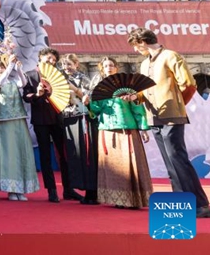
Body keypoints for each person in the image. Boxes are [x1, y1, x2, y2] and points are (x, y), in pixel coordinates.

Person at [127, 27, 210, 218]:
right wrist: (135, 97)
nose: (135, 50)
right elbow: (145, 91)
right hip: (153, 116)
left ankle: (201, 205)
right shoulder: (144, 64)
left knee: (178, 158)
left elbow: (189, 85)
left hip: (172, 115)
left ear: (142, 42)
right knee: (169, 162)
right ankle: (182, 202)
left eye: (135, 46)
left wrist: (178, 105)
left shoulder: (171, 56)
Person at [87, 57, 153, 209]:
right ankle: (117, 199)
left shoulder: (127, 86)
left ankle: (134, 199)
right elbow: (95, 111)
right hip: (107, 130)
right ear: (101, 68)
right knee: (112, 166)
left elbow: (138, 108)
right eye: (105, 65)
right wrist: (88, 103)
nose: (109, 67)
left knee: (131, 164)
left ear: (116, 67)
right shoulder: (99, 88)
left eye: (111, 65)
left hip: (127, 129)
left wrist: (143, 128)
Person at [22, 47, 76, 203]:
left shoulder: (60, 75)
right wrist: (36, 94)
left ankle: (68, 189)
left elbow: (65, 94)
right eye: (49, 59)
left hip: (58, 118)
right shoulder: (30, 75)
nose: (52, 62)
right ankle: (51, 190)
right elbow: (26, 97)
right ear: (40, 58)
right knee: (45, 156)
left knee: (64, 155)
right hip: (40, 120)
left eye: (54, 60)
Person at [0, 55, 39, 201]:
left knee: (21, 153)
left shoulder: (13, 82)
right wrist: (9, 66)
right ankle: (10, 189)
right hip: (4, 124)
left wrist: (18, 68)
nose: (0, 70)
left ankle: (20, 189)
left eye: (1, 68)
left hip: (19, 122)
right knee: (8, 156)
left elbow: (23, 82)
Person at [60, 53, 98, 204]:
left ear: (76, 64)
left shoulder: (83, 78)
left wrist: (75, 89)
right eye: (64, 65)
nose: (67, 67)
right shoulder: (60, 80)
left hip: (83, 117)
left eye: (69, 64)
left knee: (87, 154)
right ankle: (77, 187)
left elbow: (89, 98)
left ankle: (92, 191)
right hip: (67, 119)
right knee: (74, 155)